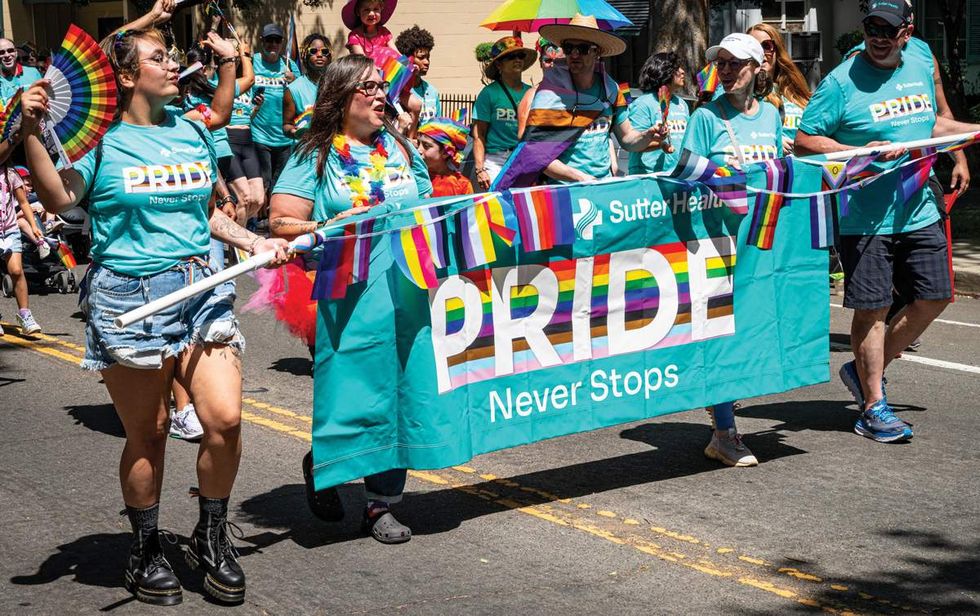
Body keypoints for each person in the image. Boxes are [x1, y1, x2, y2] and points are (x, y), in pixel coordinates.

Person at [19, 23, 289, 605]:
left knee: (224, 420)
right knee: (151, 434)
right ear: (125, 75)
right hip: (130, 298)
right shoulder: (101, 143)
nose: (173, 65)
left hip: (200, 287)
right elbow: (60, 199)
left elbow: (206, 213)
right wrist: (32, 132)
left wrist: (253, 240)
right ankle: (144, 550)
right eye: (159, 57)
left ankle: (210, 536)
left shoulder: (192, 129)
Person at [795, 1, 980, 443]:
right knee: (873, 308)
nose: (878, 38)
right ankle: (873, 406)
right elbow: (804, 139)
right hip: (864, 217)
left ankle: (863, 371)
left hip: (918, 206)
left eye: (888, 30)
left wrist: (964, 141)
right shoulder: (842, 81)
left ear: (906, 32)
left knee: (935, 296)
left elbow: (930, 121)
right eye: (872, 29)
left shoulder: (918, 60)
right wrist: (860, 152)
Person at [269, 54, 432, 544]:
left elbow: (429, 204)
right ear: (341, 98)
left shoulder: (399, 147)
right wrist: (329, 224)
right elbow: (279, 222)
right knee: (355, 396)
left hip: (404, 286)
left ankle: (381, 504)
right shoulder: (314, 154)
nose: (381, 94)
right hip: (343, 294)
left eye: (383, 86)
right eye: (369, 87)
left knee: (400, 393)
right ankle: (325, 460)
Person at [678, 32, 783, 466]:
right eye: (720, 63)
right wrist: (722, 176)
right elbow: (683, 174)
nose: (725, 71)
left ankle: (722, 415)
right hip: (717, 243)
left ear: (758, 68)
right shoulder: (706, 117)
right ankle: (724, 432)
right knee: (720, 333)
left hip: (759, 242)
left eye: (735, 63)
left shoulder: (772, 115)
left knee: (748, 333)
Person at [502, 14, 665, 188]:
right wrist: (580, 178)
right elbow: (535, 154)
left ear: (597, 52)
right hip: (564, 191)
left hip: (603, 187)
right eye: (568, 47)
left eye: (583, 48)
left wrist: (647, 135)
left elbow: (627, 138)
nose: (574, 54)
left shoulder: (611, 89)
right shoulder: (548, 95)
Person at [472, 37, 536, 190]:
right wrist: (480, 169)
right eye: (511, 56)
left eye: (520, 55)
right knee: (497, 202)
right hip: (496, 161)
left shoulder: (532, 93)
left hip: (524, 158)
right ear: (499, 64)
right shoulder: (488, 94)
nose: (517, 60)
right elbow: (479, 135)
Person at [252, 23, 300, 199]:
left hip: (284, 138)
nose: (273, 44)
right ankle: (258, 214)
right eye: (269, 40)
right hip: (258, 135)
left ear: (282, 43)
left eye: (277, 40)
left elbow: (302, 95)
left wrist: (295, 80)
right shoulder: (252, 62)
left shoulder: (290, 66)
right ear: (261, 41)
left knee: (279, 184)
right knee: (262, 183)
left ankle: (273, 214)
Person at [746, 22, 810, 155]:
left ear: (777, 50)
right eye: (753, 47)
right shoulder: (739, 92)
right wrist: (773, 139)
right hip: (769, 162)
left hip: (803, 162)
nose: (760, 53)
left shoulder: (795, 89)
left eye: (766, 46)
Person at [0, 155, 43, 336]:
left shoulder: (11, 174)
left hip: (9, 230)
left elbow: (24, 202)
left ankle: (25, 315)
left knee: (16, 271)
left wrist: (33, 226)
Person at [627, 51, 690, 175]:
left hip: (676, 174)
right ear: (663, 71)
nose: (682, 71)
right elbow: (634, 144)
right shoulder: (643, 104)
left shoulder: (681, 104)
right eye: (677, 68)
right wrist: (661, 144)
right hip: (648, 175)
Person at [283, 33, 332, 139]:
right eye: (313, 51)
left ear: (329, 57)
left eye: (324, 51)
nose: (319, 55)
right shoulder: (293, 89)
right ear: (305, 56)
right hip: (305, 146)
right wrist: (294, 132)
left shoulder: (338, 85)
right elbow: (287, 124)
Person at [396, 25, 441, 124]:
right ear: (407, 59)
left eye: (428, 57)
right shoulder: (396, 91)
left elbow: (438, 125)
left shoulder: (432, 91)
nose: (427, 62)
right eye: (421, 57)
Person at [418, 117, 473, 196]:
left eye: (426, 146)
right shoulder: (411, 178)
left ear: (446, 152)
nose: (419, 150)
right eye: (418, 143)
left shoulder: (462, 186)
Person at [343, 0, 400, 65]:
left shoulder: (384, 32)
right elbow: (362, 61)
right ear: (358, 12)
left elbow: (396, 53)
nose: (372, 14)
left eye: (376, 9)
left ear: (381, 10)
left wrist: (407, 65)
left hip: (388, 69)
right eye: (366, 10)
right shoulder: (355, 36)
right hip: (366, 68)